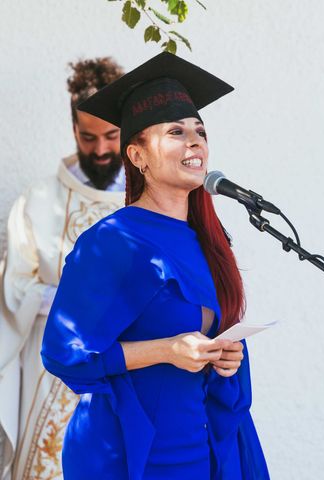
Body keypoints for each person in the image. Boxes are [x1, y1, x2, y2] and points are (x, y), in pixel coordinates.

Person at [40, 52, 269, 479]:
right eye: (176, 132)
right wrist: (166, 350)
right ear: (138, 155)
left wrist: (228, 356)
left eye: (200, 132)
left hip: (201, 451)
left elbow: (207, 341)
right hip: (131, 456)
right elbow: (62, 353)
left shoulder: (209, 241)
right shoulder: (114, 242)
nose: (195, 142)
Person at [0, 57, 125, 480]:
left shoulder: (147, 200)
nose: (102, 150)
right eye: (89, 137)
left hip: (126, 370)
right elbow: (14, 289)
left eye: (111, 135)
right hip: (50, 370)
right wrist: (66, 300)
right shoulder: (38, 200)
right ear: (74, 128)